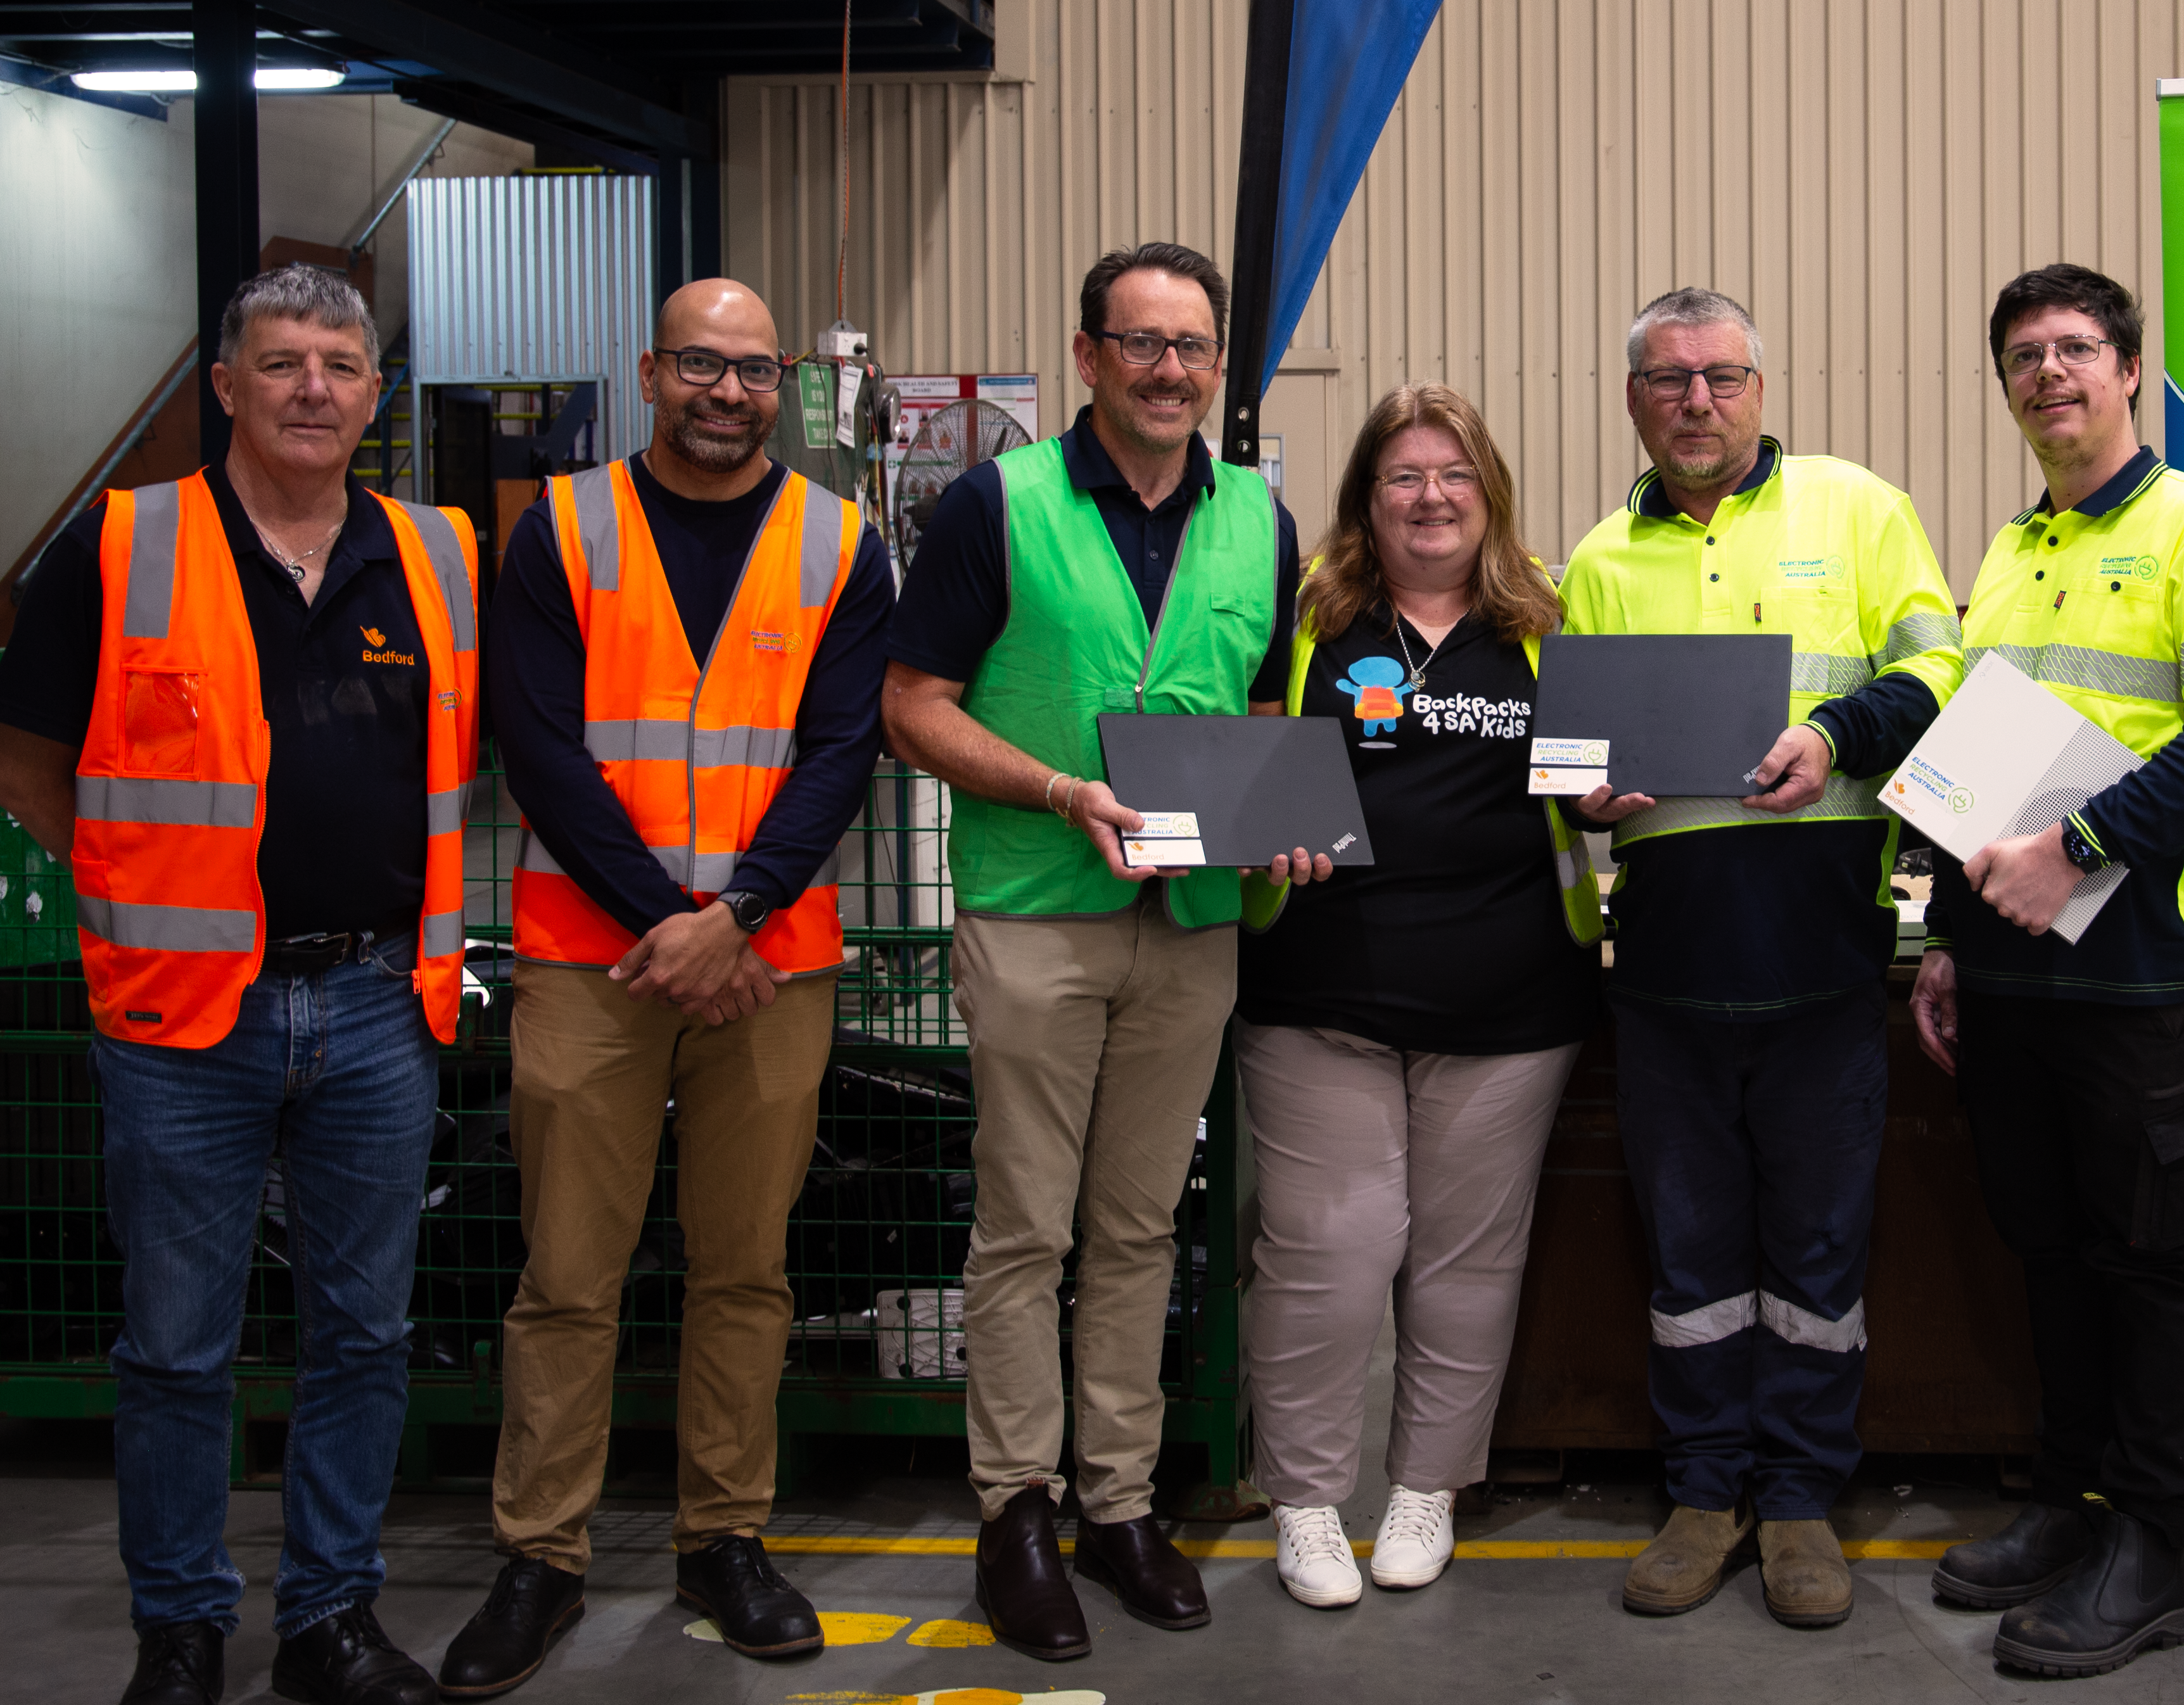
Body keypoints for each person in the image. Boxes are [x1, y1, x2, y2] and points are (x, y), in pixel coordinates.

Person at [0, 265, 478, 1705]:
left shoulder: (437, 553)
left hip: (380, 1008)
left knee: (362, 1333)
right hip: (179, 1018)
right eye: (281, 364)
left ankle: (331, 1617)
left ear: (375, 395)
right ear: (225, 386)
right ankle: (182, 1628)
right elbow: (30, 756)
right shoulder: (122, 544)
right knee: (176, 1346)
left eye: (341, 364)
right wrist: (141, 893)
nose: (314, 388)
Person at [436, 279, 891, 1697]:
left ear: (783, 389)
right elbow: (539, 742)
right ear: (650, 371)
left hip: (769, 967)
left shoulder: (840, 542)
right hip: (595, 962)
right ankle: (542, 1554)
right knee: (566, 1276)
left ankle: (723, 1536)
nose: (726, 392)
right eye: (700, 364)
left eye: (753, 372)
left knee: (743, 1271)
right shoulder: (560, 531)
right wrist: (675, 925)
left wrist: (737, 916)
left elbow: (842, 751)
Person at [880, 242, 1301, 1662]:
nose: (1168, 369)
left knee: (1134, 1228)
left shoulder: (1258, 515)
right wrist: (1062, 791)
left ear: (1216, 367)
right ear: (1087, 358)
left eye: (1191, 347)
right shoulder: (995, 504)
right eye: (1140, 343)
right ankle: (1017, 1508)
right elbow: (912, 707)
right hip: (1036, 910)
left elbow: (1258, 709)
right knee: (1023, 1230)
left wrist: (1280, 817)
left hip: (1187, 928)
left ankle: (1119, 1504)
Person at [1559, 288, 1962, 1631]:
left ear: (1759, 385)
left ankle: (1797, 1499)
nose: (1696, 401)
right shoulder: (1599, 556)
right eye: (1668, 380)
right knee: (1689, 1258)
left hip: (1822, 964)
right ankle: (1702, 1492)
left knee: (1816, 1248)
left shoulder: (1856, 510)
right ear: (1632, 399)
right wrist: (1583, 799)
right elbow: (1571, 762)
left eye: (1720, 376)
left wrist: (1838, 739)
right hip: (1667, 969)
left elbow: (1939, 674)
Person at [1910, 263, 2184, 1678]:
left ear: (2128, 368)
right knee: (2049, 1247)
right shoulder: (2007, 549)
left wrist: (2073, 847)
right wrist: (1953, 944)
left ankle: (2153, 1544)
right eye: (2021, 355)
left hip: (2139, 973)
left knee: (2148, 1261)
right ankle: (2072, 1504)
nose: (2047, 373)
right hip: (2011, 971)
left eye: (2075, 348)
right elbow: (1972, 764)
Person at [1235, 382, 1604, 1609]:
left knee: (1465, 1260)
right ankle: (1302, 1502)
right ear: (1365, 501)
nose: (1430, 496)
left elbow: (1596, 774)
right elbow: (1239, 750)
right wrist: (1247, 825)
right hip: (1318, 991)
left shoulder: (1550, 617)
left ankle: (1427, 1487)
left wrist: (1617, 793)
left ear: (1487, 493)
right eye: (1402, 476)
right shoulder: (1306, 619)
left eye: (1452, 474)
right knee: (1328, 1253)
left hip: (1511, 1002)